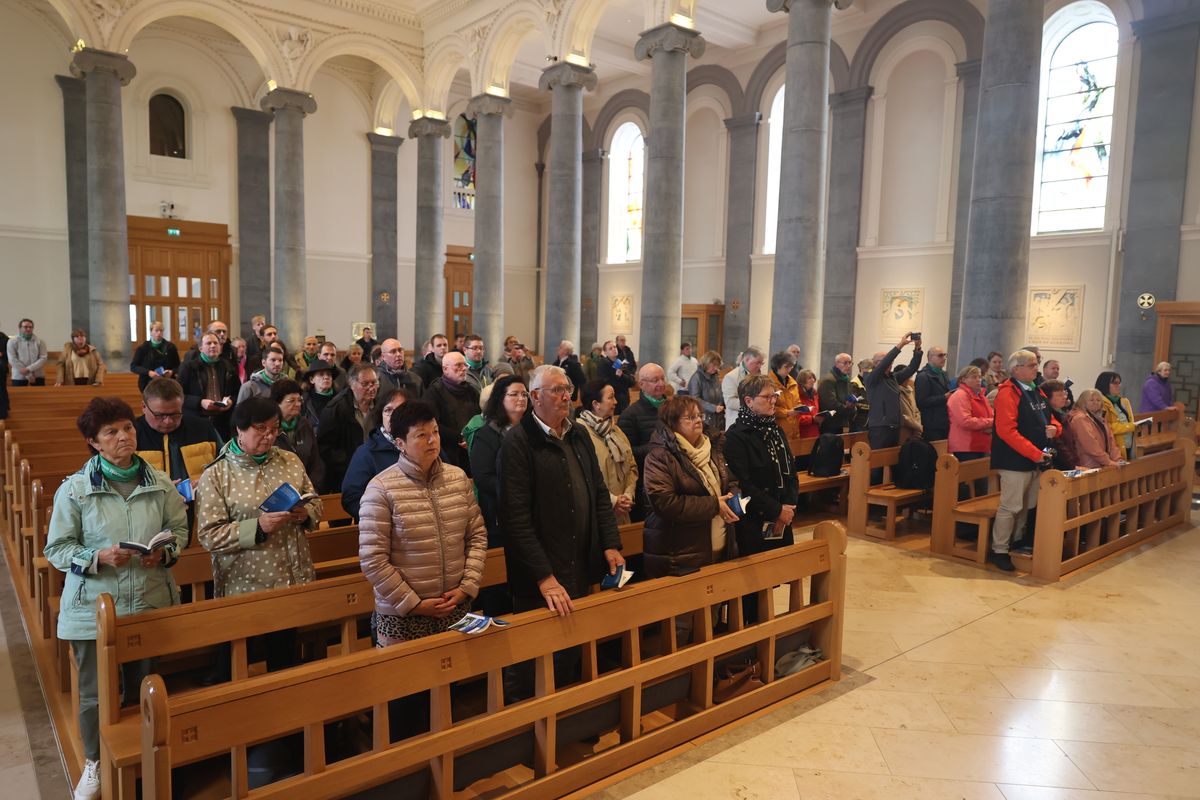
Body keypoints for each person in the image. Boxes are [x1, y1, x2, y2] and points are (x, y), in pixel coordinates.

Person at [45, 397, 189, 800]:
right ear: (94, 442)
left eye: (127, 427)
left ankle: (143, 755)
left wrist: (165, 552)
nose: (124, 436)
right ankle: (93, 761)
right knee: (94, 692)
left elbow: (179, 531)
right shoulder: (75, 489)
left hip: (147, 600)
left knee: (146, 686)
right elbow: (57, 549)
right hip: (93, 606)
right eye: (112, 432)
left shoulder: (159, 482)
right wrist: (97, 556)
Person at [358, 401, 489, 645]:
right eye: (421, 435)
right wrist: (414, 604)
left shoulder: (457, 478)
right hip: (403, 616)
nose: (432, 441)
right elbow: (373, 559)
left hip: (454, 606)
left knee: (453, 681)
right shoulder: (381, 488)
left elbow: (476, 536)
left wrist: (466, 587)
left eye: (435, 432)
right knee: (407, 683)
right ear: (400, 444)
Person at [499, 365, 624, 616]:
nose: (567, 396)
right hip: (541, 576)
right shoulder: (518, 442)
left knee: (579, 644)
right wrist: (544, 576)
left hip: (580, 562)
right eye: (557, 390)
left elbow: (599, 492)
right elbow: (515, 519)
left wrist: (610, 544)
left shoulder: (578, 433)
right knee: (546, 651)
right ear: (535, 397)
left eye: (567, 389)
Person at [723, 375, 798, 623]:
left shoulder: (775, 429)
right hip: (754, 520)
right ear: (748, 401)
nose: (773, 401)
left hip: (781, 516)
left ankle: (765, 632)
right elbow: (743, 484)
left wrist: (788, 507)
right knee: (752, 586)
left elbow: (790, 471)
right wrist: (776, 510)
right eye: (767, 397)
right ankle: (749, 637)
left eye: (774, 396)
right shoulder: (736, 436)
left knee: (771, 579)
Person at [641, 395, 739, 579]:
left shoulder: (712, 446)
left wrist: (733, 497)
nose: (698, 421)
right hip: (680, 556)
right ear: (673, 423)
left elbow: (731, 481)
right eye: (690, 417)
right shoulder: (660, 456)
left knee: (717, 606)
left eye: (699, 415)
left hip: (720, 547)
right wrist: (715, 505)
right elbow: (665, 502)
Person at [990, 350, 1059, 572]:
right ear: (1016, 369)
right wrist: (1034, 453)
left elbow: (1053, 419)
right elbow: (1006, 431)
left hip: (1036, 459)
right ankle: (999, 549)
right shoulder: (1007, 393)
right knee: (1010, 506)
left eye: (1036, 364)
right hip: (1014, 459)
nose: (1035, 368)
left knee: (1027, 506)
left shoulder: (1036, 390)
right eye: (1031, 364)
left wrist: (1055, 429)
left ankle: (1017, 542)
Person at [469, 375, 528, 546]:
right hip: (500, 513)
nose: (521, 398)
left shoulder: (532, 430)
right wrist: (518, 489)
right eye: (514, 394)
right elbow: (483, 478)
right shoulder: (486, 435)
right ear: (500, 398)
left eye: (524, 394)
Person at [135, 377, 222, 485]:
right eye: (160, 415)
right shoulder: (131, 434)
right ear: (144, 406)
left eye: (175, 414)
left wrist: (209, 481)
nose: (168, 421)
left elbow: (225, 467)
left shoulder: (204, 427)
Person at [340, 389, 408, 520]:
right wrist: (381, 518)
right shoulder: (367, 453)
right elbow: (351, 497)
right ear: (380, 415)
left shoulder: (423, 446)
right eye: (388, 410)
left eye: (400, 410)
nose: (394, 415)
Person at [578, 380, 638, 525]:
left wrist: (628, 496)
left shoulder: (616, 431)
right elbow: (581, 476)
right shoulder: (580, 433)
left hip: (622, 512)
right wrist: (613, 501)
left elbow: (631, 467)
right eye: (611, 397)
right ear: (595, 404)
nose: (616, 402)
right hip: (596, 514)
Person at [318, 363, 380, 493]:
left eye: (374, 383)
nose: (371, 388)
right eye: (365, 384)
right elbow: (325, 448)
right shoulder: (335, 409)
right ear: (352, 385)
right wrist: (351, 463)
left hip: (377, 471)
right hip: (347, 475)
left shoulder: (381, 406)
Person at [618, 363, 668, 518]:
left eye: (662, 379)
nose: (660, 384)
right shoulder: (630, 415)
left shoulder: (672, 408)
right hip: (646, 484)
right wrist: (654, 449)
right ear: (642, 384)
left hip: (671, 479)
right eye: (655, 380)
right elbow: (626, 454)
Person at [864, 333, 924, 457]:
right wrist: (901, 345)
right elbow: (885, 363)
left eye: (890, 361)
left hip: (895, 426)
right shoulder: (871, 378)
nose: (889, 363)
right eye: (883, 361)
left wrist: (917, 349)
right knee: (878, 465)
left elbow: (912, 368)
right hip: (880, 427)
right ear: (875, 364)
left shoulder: (893, 378)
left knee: (891, 462)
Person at [176, 331, 237, 439]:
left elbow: (237, 391)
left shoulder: (228, 366)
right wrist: (200, 402)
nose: (213, 345)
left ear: (220, 347)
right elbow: (178, 395)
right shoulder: (188, 367)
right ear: (200, 348)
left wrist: (231, 401)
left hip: (223, 419)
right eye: (208, 343)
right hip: (197, 418)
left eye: (215, 343)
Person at [424, 351, 479, 471]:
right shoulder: (434, 392)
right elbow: (432, 424)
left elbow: (480, 417)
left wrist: (473, 437)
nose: (464, 369)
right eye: (458, 366)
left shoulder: (472, 391)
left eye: (465, 365)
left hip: (472, 448)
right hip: (447, 452)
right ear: (445, 369)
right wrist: (460, 438)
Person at [271, 378, 324, 490]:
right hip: (277, 490)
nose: (298, 404)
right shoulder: (269, 428)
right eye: (291, 401)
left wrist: (310, 487)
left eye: (299, 400)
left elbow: (315, 462)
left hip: (306, 489)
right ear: (277, 403)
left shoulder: (304, 424)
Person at [947, 365, 994, 465]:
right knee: (968, 479)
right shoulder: (960, 395)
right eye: (974, 377)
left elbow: (992, 416)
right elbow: (965, 421)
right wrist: (990, 423)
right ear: (963, 379)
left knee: (982, 478)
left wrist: (991, 424)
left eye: (980, 377)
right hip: (965, 446)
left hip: (982, 444)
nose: (978, 380)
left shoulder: (981, 396)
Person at [1068, 388, 1124, 468]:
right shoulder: (1079, 418)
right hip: (1089, 465)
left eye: (1098, 400)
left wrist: (1118, 459)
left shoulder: (1101, 419)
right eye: (1091, 400)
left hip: (1103, 463)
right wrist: (1108, 461)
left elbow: (1111, 441)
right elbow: (1090, 445)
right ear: (1083, 402)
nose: (1095, 403)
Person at [1095, 371, 1137, 460]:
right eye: (1115, 383)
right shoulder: (1100, 403)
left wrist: (1137, 426)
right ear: (1105, 384)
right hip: (1113, 447)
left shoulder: (1124, 401)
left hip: (1129, 443)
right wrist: (1130, 426)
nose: (1118, 385)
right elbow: (1106, 427)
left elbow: (1130, 420)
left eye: (1119, 383)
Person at [722, 346, 765, 429]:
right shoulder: (731, 377)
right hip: (737, 424)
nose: (760, 366)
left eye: (761, 363)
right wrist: (753, 404)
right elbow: (730, 402)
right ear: (747, 359)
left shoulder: (761, 376)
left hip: (756, 423)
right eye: (757, 362)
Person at [130, 320, 181, 390]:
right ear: (151, 332)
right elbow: (133, 367)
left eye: (161, 331)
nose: (159, 333)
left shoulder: (170, 347)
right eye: (156, 330)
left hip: (167, 383)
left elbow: (178, 366)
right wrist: (149, 372)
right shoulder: (143, 348)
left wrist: (172, 372)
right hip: (148, 383)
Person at [914, 346, 951, 441]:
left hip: (945, 421)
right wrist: (944, 398)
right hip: (932, 424)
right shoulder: (923, 376)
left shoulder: (943, 374)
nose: (944, 358)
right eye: (940, 355)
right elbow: (921, 402)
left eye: (944, 355)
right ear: (930, 358)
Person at [817, 353, 858, 435]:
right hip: (830, 424)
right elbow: (830, 404)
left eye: (850, 363)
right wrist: (847, 408)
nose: (848, 365)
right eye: (845, 363)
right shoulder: (828, 380)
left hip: (842, 422)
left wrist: (853, 405)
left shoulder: (846, 380)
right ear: (836, 364)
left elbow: (850, 397)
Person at [687, 350, 725, 432]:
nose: (716, 368)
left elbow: (719, 393)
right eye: (714, 365)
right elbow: (695, 399)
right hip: (704, 419)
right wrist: (713, 408)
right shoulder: (696, 378)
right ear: (706, 363)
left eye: (717, 365)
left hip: (718, 418)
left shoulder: (715, 377)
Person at [598, 339, 637, 414]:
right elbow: (604, 383)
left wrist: (622, 375)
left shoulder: (621, 362)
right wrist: (619, 380)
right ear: (605, 352)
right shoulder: (603, 364)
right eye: (610, 348)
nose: (614, 349)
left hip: (624, 401)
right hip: (611, 401)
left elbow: (632, 382)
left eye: (614, 347)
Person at [8, 318, 48, 385]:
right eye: (25, 327)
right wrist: (27, 373)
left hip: (37, 375)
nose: (28, 329)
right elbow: (12, 359)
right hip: (19, 376)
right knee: (20, 395)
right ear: (20, 328)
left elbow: (43, 358)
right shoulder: (12, 341)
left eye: (30, 327)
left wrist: (29, 369)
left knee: (39, 395)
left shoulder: (40, 341)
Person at [767, 350, 802, 424]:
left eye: (791, 367)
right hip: (778, 426)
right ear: (777, 366)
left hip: (794, 426)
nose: (789, 370)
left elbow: (797, 401)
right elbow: (767, 406)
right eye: (786, 367)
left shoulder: (793, 382)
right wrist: (787, 412)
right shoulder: (768, 383)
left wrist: (801, 408)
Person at [302, 361, 338, 430]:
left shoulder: (339, 399)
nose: (326, 377)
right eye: (321, 374)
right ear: (312, 380)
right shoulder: (304, 399)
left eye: (329, 374)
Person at [896, 365, 924, 439]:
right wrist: (918, 427)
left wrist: (918, 424)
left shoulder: (910, 390)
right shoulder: (895, 392)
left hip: (916, 430)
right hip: (903, 431)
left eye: (909, 376)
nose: (908, 379)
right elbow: (903, 416)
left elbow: (916, 410)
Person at [850, 358, 873, 432]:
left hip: (870, 420)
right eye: (866, 368)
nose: (869, 371)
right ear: (861, 368)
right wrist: (870, 407)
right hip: (859, 420)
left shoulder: (869, 382)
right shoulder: (854, 383)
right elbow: (854, 402)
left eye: (871, 368)